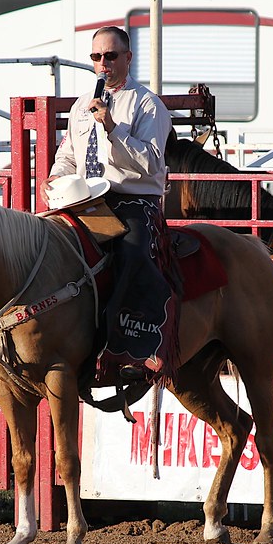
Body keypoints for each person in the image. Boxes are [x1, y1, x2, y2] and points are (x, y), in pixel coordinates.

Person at [46, 25, 177, 385]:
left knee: (133, 252)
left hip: (134, 199)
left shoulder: (148, 104)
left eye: (110, 56)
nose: (102, 64)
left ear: (127, 58)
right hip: (87, 199)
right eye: (96, 57)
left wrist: (113, 127)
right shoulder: (81, 106)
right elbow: (68, 156)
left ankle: (134, 347)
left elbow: (151, 163)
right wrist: (55, 179)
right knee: (45, 243)